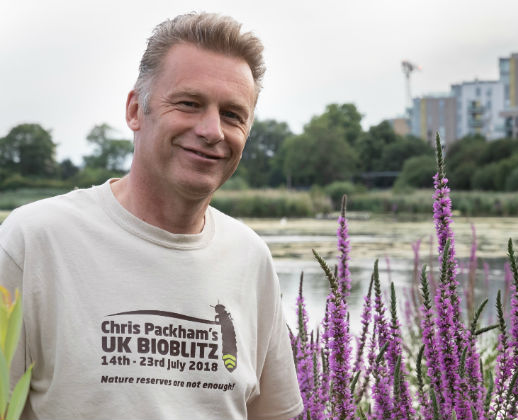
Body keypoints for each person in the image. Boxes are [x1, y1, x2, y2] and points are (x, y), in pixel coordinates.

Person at [0, 12, 303, 420]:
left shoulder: (251, 258)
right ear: (134, 111)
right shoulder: (34, 241)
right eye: (189, 104)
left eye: (233, 114)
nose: (212, 130)